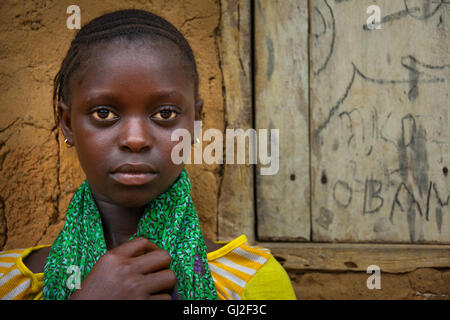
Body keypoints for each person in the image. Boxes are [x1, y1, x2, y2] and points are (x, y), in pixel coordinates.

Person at [0, 9, 296, 300]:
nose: (135, 139)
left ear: (195, 123)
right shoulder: (9, 283)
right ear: (67, 123)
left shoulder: (250, 282)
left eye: (165, 113)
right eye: (104, 113)